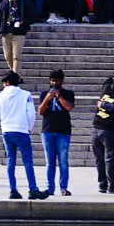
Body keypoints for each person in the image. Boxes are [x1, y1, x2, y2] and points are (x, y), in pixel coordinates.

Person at [0, 71, 47, 201]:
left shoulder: (0, 96)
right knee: (27, 161)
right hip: (21, 130)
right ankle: (33, 188)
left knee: (10, 160)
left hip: (7, 130)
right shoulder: (25, 95)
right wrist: (29, 127)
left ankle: (13, 189)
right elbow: (31, 114)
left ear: (7, 82)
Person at [38, 69, 74, 197]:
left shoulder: (68, 93)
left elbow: (68, 107)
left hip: (63, 131)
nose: (54, 83)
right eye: (52, 81)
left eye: (56, 81)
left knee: (63, 160)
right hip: (47, 131)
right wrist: (47, 98)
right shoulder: (44, 94)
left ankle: (64, 187)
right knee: (50, 161)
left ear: (62, 80)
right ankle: (49, 187)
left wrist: (59, 96)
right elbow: (40, 111)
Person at [0, 0, 32, 74]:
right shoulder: (4, 3)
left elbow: (33, 16)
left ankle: (15, 77)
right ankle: (17, 75)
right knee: (8, 56)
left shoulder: (25, 2)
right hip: (6, 32)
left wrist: (24, 21)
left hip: (19, 32)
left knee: (16, 56)